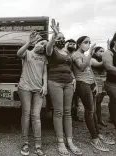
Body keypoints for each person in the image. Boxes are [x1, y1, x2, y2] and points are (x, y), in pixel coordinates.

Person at [72, 36, 115, 152]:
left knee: (93, 111)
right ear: (79, 44)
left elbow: (90, 71)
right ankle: (94, 138)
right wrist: (90, 53)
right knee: (90, 110)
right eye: (85, 42)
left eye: (89, 42)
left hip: (90, 84)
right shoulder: (76, 54)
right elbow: (81, 68)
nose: (88, 44)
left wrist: (95, 84)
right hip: (82, 83)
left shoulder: (85, 55)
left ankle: (98, 134)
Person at [46, 19, 81, 156]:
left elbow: (70, 68)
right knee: (58, 112)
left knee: (68, 112)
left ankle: (70, 141)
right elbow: (48, 49)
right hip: (55, 81)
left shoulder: (67, 53)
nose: (61, 39)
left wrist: (73, 78)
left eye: (62, 38)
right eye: (59, 38)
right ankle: (61, 142)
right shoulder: (52, 50)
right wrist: (54, 35)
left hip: (68, 83)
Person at [17, 31, 47, 156]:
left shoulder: (44, 58)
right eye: (41, 43)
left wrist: (45, 85)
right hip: (25, 88)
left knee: (36, 115)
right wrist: (29, 41)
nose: (43, 46)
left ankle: (38, 145)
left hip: (38, 89)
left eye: (45, 45)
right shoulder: (28, 53)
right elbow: (18, 53)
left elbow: (45, 72)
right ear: (35, 43)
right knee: (26, 113)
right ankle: (25, 143)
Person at [102, 32, 116, 133]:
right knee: (115, 102)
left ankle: (113, 118)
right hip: (112, 83)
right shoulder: (108, 52)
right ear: (115, 41)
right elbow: (109, 67)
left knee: (114, 103)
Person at [65, 39, 82, 122]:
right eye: (70, 44)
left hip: (77, 77)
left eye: (73, 44)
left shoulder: (76, 54)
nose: (72, 45)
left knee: (76, 98)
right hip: (68, 78)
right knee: (69, 99)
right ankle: (68, 116)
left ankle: (75, 115)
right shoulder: (64, 53)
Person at [91, 46, 107, 127]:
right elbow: (98, 65)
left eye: (103, 51)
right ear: (95, 52)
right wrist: (107, 59)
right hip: (96, 83)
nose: (102, 52)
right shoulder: (92, 59)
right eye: (100, 51)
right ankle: (94, 122)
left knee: (99, 103)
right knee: (94, 104)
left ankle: (99, 120)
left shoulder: (103, 60)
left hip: (103, 83)